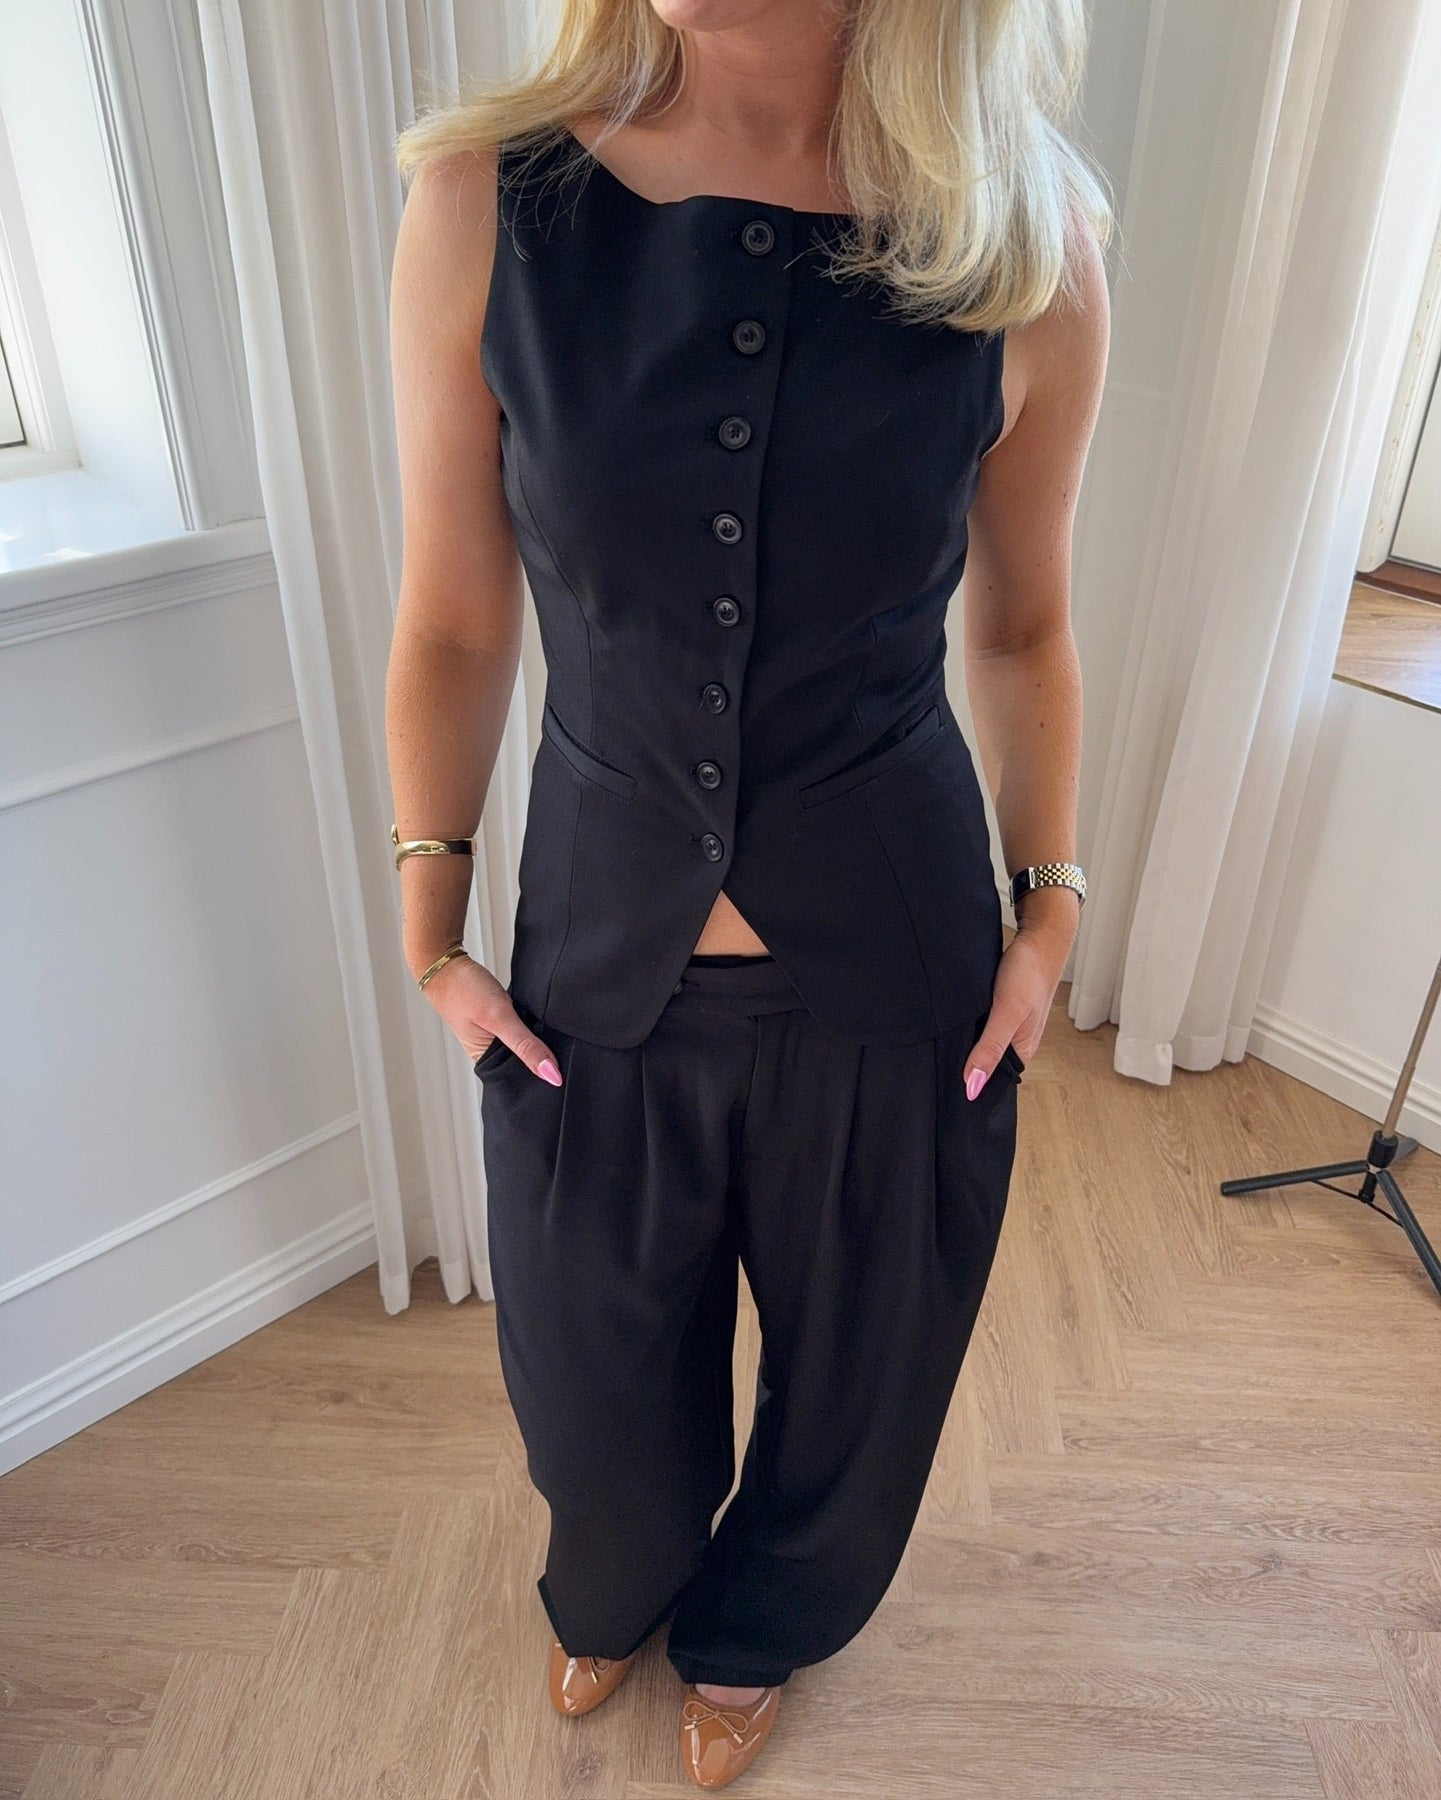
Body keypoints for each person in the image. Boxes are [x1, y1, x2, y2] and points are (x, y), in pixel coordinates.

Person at [385, 0, 1110, 1786]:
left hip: (899, 960)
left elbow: (1022, 625)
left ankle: (760, 1628)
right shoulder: (490, 203)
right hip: (594, 957)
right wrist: (428, 916)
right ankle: (619, 1582)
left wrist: (1050, 910)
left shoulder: (1024, 245)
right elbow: (456, 615)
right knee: (590, 1392)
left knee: (863, 1386)